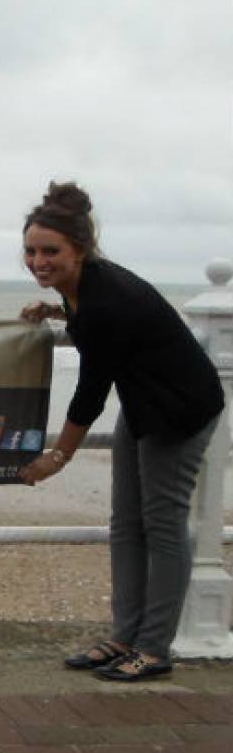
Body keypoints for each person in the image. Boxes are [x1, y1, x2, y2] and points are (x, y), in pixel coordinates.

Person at [17, 181, 223, 682]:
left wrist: (57, 458)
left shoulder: (107, 298)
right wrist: (54, 311)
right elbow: (93, 326)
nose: (39, 261)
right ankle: (123, 636)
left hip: (180, 410)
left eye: (51, 251)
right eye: (30, 251)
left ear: (80, 250)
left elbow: (90, 389)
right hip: (144, 404)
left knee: (163, 521)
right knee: (126, 522)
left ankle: (154, 649)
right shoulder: (85, 290)